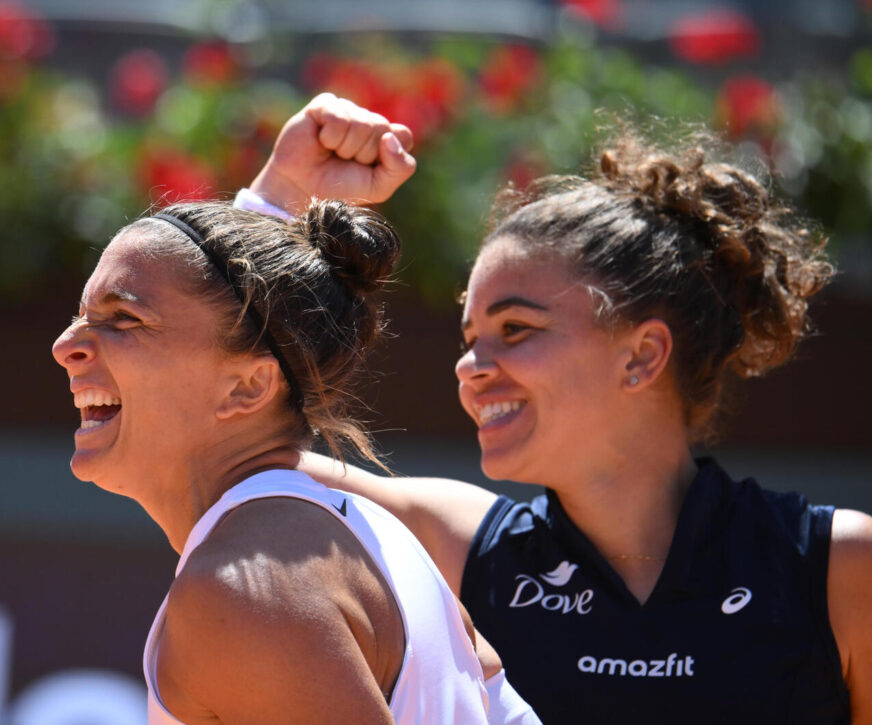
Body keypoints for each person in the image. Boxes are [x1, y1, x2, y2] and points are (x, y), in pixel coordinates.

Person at [246, 93, 872, 724]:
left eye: (516, 329)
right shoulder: (457, 548)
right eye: (471, 341)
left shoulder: (841, 565)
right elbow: (232, 452)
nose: (470, 368)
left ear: (641, 355)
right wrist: (278, 202)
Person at [50, 182, 540, 723]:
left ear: (248, 388)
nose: (66, 345)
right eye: (81, 315)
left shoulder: (244, 589)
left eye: (124, 318)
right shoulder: (373, 540)